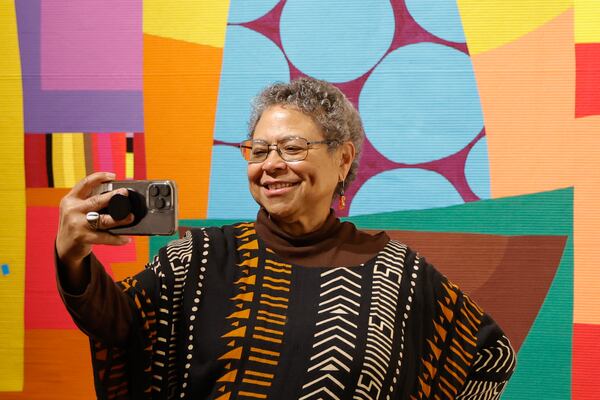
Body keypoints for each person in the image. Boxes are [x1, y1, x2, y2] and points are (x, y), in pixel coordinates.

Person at [56, 77, 516, 399]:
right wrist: (72, 255)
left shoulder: (399, 276)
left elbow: (489, 356)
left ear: (343, 159)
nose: (271, 164)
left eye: (292, 148)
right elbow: (119, 326)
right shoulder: (198, 257)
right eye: (258, 150)